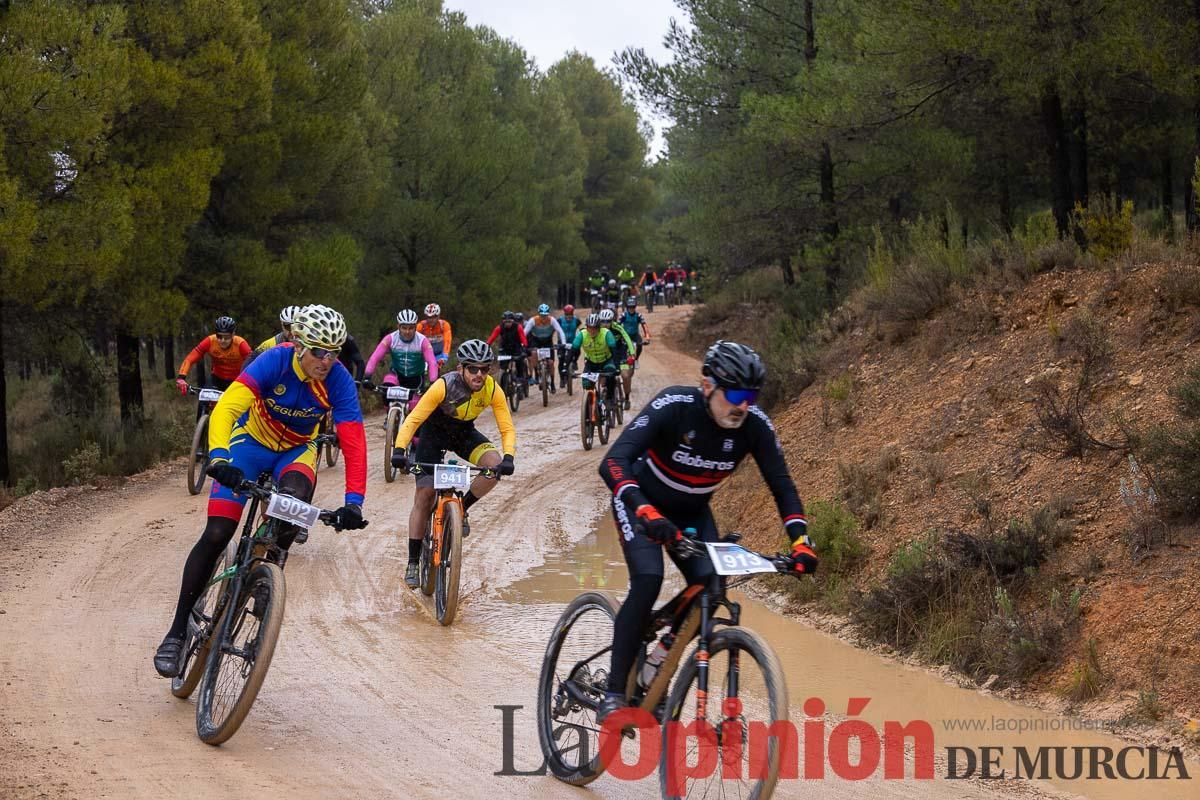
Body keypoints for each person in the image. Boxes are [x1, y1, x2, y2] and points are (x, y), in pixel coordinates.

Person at [595, 341, 818, 722]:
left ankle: (656, 668)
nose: (743, 404)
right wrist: (644, 510)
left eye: (751, 395)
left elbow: (782, 485)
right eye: (735, 393)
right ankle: (614, 693)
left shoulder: (755, 426)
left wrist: (800, 541)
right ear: (707, 386)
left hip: (691, 512)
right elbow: (613, 462)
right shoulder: (674, 406)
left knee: (713, 584)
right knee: (648, 580)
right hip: (641, 503)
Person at [153, 304, 369, 678]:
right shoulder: (274, 361)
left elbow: (354, 442)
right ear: (299, 344)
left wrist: (354, 502)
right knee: (218, 532)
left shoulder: (338, 380)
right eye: (319, 350)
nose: (327, 360)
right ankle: (175, 632)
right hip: (249, 444)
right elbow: (226, 409)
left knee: (292, 506)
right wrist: (220, 457)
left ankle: (267, 570)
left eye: (334, 351)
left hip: (298, 450)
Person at [390, 339, 516, 587]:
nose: (479, 374)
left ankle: (462, 507)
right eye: (473, 369)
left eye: (484, 369)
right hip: (433, 436)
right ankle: (413, 561)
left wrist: (509, 456)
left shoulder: (492, 389)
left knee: (494, 465)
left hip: (464, 434)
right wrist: (399, 449)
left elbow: (506, 427)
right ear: (461, 369)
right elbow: (414, 419)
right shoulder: (443, 386)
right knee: (425, 495)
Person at [175, 317, 251, 418]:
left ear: (233, 334)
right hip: (216, 379)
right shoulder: (210, 341)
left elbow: (254, 363)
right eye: (219, 336)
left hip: (237, 381)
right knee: (203, 401)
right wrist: (181, 378)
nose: (222, 340)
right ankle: (200, 431)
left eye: (227, 337)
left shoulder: (241, 344)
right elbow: (190, 358)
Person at [364, 309, 439, 404]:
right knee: (386, 394)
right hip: (396, 374)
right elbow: (375, 358)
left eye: (411, 328)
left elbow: (432, 362)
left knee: (414, 410)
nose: (407, 332)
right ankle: (389, 417)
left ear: (416, 327)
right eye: (404, 328)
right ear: (398, 327)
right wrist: (367, 376)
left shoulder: (422, 341)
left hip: (415, 378)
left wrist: (433, 382)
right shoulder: (390, 339)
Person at [570, 312, 618, 405]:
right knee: (586, 383)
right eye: (589, 327)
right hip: (591, 363)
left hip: (606, 361)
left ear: (599, 327)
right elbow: (573, 350)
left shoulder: (606, 333)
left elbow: (614, 351)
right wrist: (567, 366)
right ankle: (591, 404)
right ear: (586, 327)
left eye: (595, 328)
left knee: (610, 376)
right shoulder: (582, 334)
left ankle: (610, 398)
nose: (592, 330)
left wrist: (617, 366)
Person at [599, 308, 637, 409]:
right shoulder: (597, 329)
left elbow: (627, 339)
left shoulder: (617, 327)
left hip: (620, 353)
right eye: (602, 321)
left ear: (612, 320)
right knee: (602, 377)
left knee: (625, 375)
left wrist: (632, 354)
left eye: (608, 321)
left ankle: (627, 398)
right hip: (607, 354)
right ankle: (606, 393)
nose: (605, 324)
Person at [524, 303, 567, 391]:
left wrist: (563, 343)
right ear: (539, 314)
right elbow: (524, 333)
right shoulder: (533, 320)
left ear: (548, 314)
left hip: (548, 341)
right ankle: (536, 373)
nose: (543, 317)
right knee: (534, 353)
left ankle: (552, 382)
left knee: (551, 363)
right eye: (542, 315)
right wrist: (522, 344)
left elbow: (560, 331)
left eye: (545, 315)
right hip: (536, 341)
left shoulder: (552, 320)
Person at [486, 310, 528, 385]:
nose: (507, 323)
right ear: (503, 321)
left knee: (519, 362)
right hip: (504, 349)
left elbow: (523, 338)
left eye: (509, 321)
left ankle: (520, 379)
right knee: (503, 366)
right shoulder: (499, 328)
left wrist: (524, 348)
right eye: (506, 322)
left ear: (513, 321)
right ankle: (503, 380)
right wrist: (486, 346)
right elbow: (492, 337)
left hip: (516, 348)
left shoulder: (518, 327)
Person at [417, 303, 453, 370]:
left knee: (436, 371)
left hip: (439, 354)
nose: (431, 320)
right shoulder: (421, 326)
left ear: (438, 316)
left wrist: (445, 355)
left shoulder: (444, 325)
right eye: (429, 317)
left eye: (434, 317)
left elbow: (447, 341)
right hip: (424, 354)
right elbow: (415, 342)